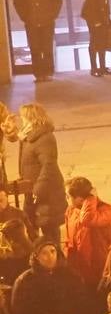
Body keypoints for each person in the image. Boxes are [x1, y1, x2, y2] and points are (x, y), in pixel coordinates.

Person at [16, 104, 66, 251]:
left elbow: (49, 166)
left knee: (50, 234)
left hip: (46, 195)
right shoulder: (28, 137)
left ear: (31, 118)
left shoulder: (45, 138)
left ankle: (56, 264)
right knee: (31, 228)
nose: (22, 121)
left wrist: (37, 191)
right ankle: (41, 261)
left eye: (23, 118)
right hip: (32, 193)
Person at [13, 0, 60, 83]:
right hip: (31, 22)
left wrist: (52, 15)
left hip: (47, 21)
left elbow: (57, 0)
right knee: (35, 49)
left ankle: (49, 72)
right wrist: (25, 17)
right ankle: (38, 74)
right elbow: (18, 3)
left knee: (47, 48)